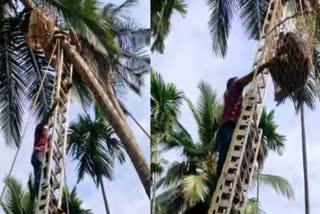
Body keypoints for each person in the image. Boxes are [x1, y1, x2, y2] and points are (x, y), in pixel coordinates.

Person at [216, 65, 267, 179]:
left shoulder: (230, 96)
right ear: (232, 84)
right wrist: (263, 67)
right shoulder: (235, 87)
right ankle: (222, 175)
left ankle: (221, 176)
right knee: (226, 153)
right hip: (229, 125)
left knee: (226, 153)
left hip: (228, 125)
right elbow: (249, 77)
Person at [31, 101, 58, 196]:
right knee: (41, 173)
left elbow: (51, 150)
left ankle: (48, 196)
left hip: (42, 155)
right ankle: (39, 194)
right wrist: (52, 110)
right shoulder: (39, 128)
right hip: (38, 154)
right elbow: (43, 121)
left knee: (48, 176)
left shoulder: (48, 135)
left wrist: (56, 157)